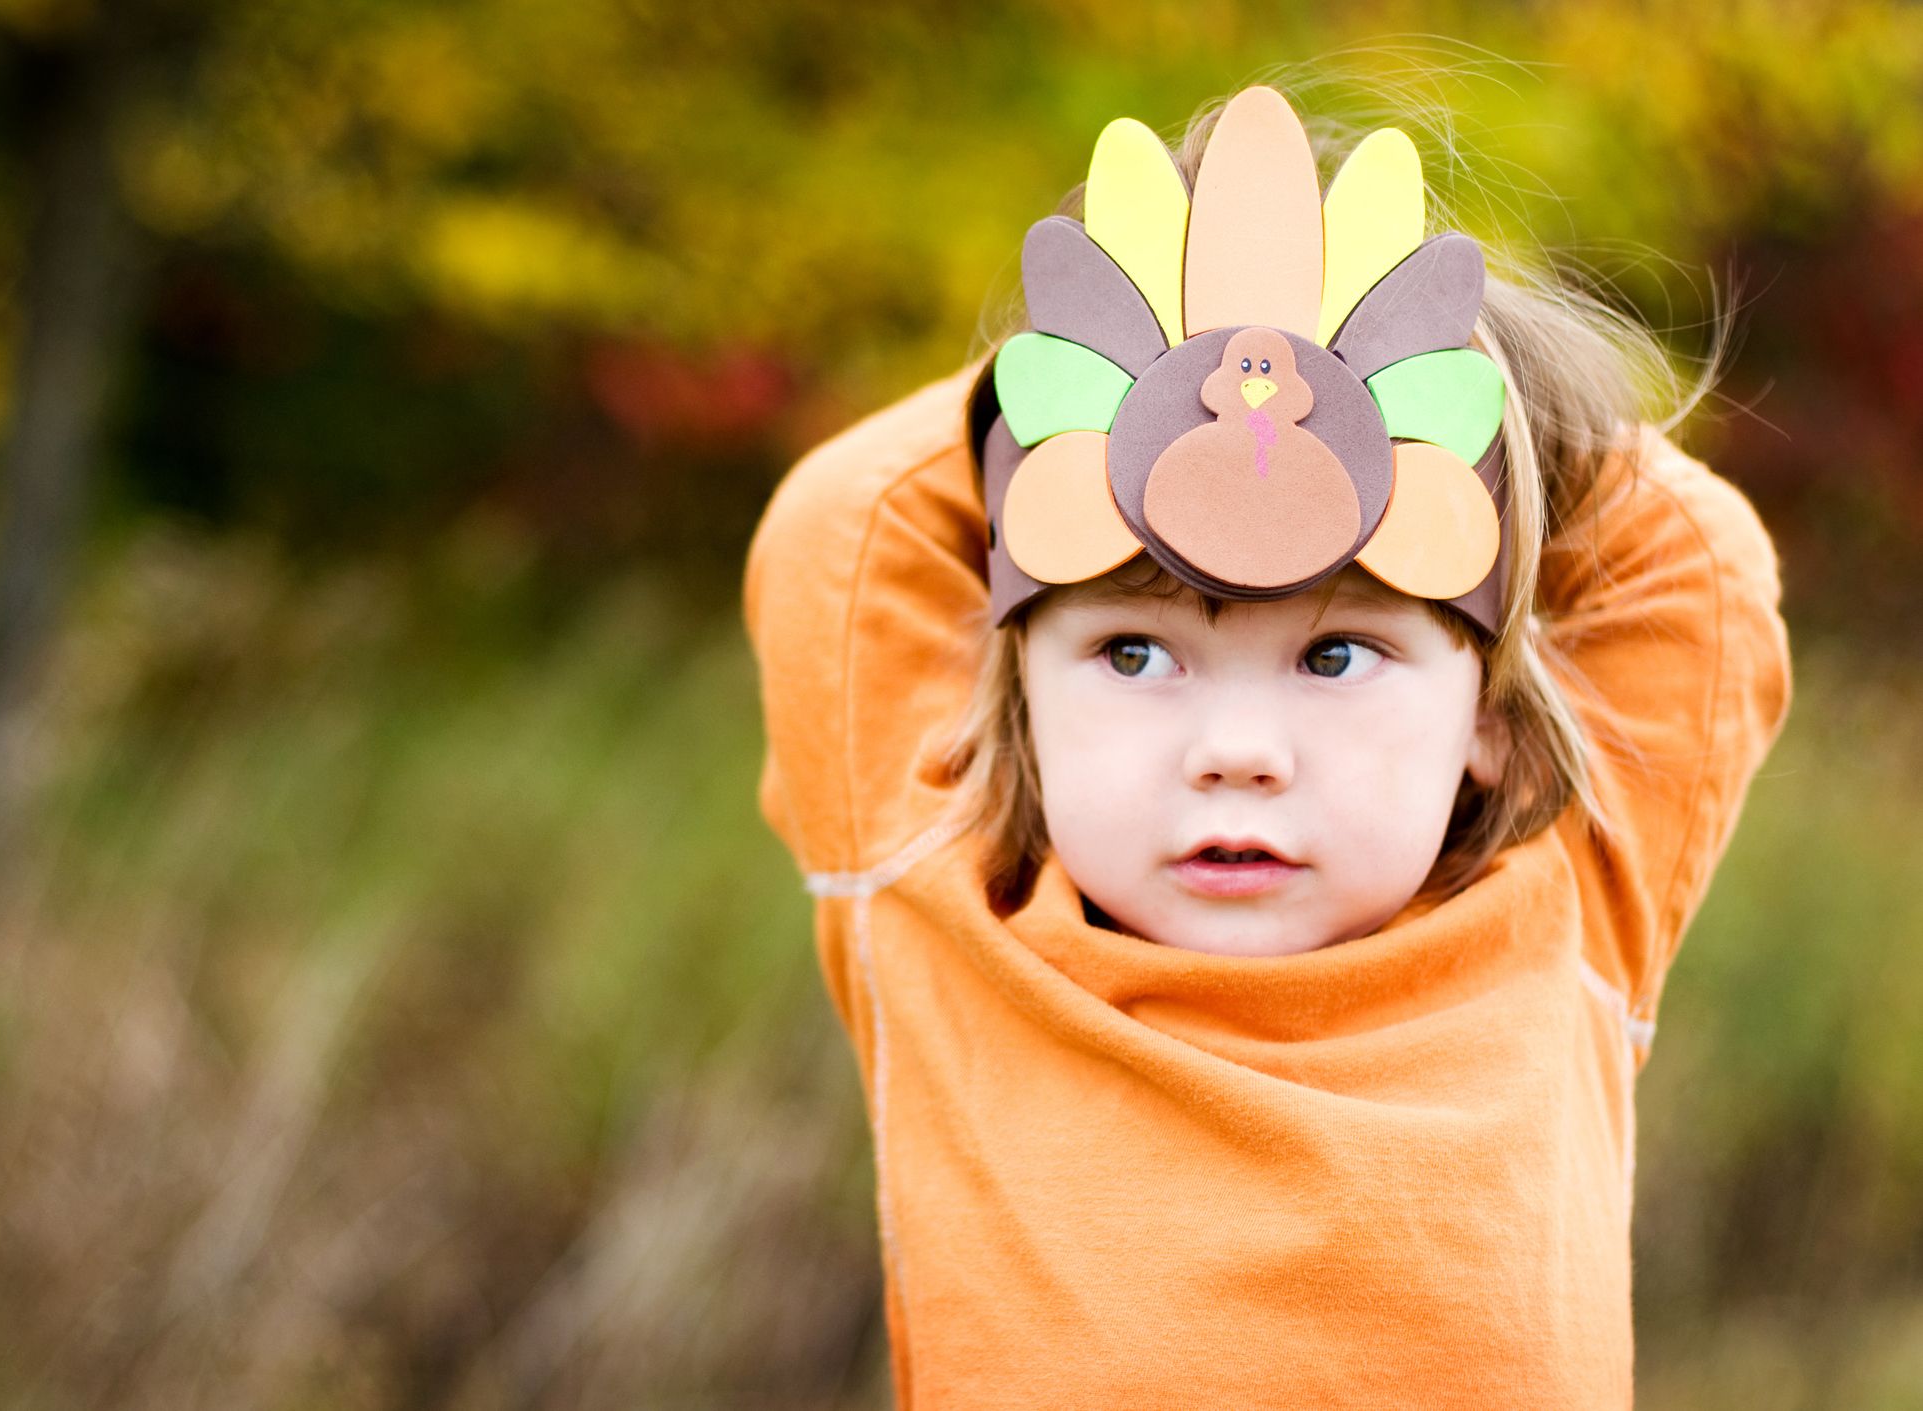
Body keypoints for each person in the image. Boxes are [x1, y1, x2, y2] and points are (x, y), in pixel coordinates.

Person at [743, 82, 1791, 1406]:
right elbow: (844, 525)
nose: (1237, 752)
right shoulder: (938, 903)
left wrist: (1392, 362)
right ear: (1023, 696)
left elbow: (1693, 553)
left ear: (1495, 722)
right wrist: (1117, 360)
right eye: (1134, 654)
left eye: (1337, 654)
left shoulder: (1574, 916)